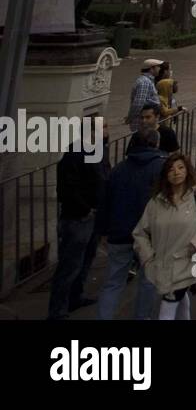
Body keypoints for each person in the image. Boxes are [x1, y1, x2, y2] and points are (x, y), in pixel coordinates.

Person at [133, 152, 196, 321]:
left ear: (187, 170)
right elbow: (140, 232)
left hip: (189, 259)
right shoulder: (156, 202)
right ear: (165, 175)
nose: (176, 172)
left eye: (181, 168)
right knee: (179, 298)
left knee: (169, 305)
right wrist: (147, 257)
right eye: (171, 169)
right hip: (162, 263)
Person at [98, 128, 167, 320]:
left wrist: (103, 231)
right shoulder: (160, 168)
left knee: (113, 282)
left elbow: (105, 202)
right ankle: (142, 317)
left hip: (119, 234)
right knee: (147, 281)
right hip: (148, 235)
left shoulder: (118, 169)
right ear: (155, 144)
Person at [49, 119, 109, 319]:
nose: (107, 131)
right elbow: (67, 189)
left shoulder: (99, 151)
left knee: (85, 260)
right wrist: (87, 209)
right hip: (77, 219)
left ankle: (76, 296)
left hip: (93, 217)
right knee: (69, 266)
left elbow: (103, 178)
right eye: (103, 128)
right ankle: (57, 311)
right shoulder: (74, 155)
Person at [127, 59, 164, 129]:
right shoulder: (145, 82)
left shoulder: (147, 80)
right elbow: (138, 103)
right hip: (142, 123)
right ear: (152, 68)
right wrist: (130, 118)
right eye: (158, 67)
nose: (159, 68)